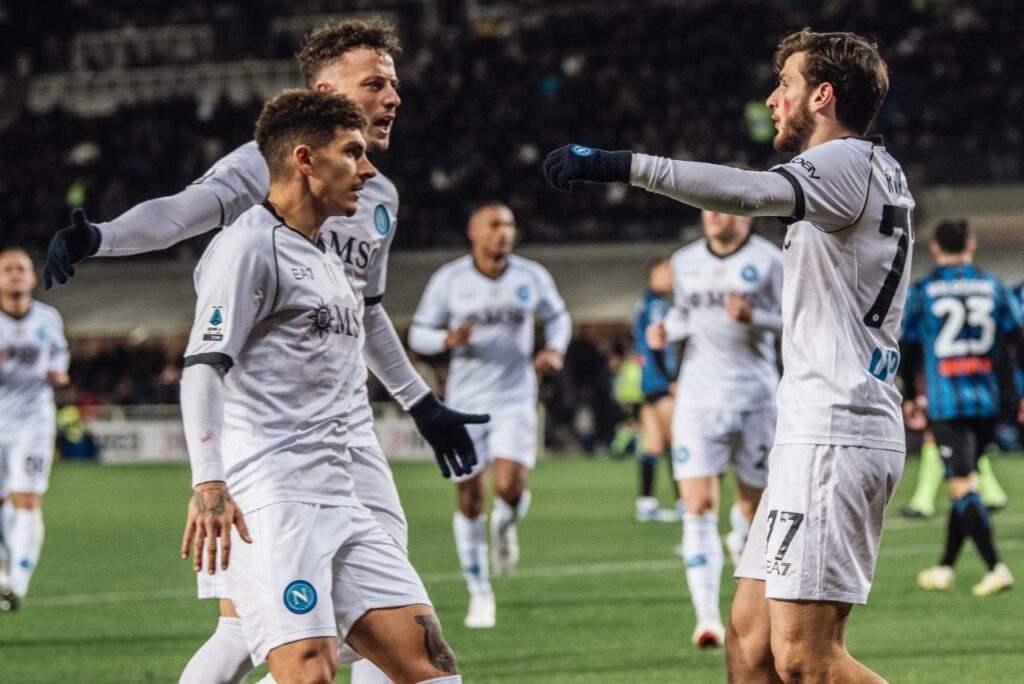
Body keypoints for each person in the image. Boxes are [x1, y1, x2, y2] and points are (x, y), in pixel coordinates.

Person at [44, 19, 483, 684]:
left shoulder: (376, 200)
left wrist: (421, 403)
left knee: (365, 626)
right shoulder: (263, 179)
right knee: (283, 639)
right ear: (324, 93)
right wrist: (102, 238)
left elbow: (367, 313)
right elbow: (179, 215)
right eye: (375, 84)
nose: (393, 97)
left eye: (394, 84)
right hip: (271, 444)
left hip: (345, 431)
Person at [544, 27, 912, 683]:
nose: (772, 100)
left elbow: (746, 193)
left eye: (785, 85)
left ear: (822, 95)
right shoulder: (871, 168)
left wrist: (618, 163)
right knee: (749, 643)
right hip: (815, 430)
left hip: (838, 429)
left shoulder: (845, 162)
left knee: (805, 659)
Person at [179, 89, 461, 684]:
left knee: (431, 666)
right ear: (305, 159)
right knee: (308, 670)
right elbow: (204, 365)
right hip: (277, 499)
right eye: (352, 152)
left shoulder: (327, 259)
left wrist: (420, 402)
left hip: (342, 495)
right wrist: (208, 482)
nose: (369, 169)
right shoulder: (248, 246)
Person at [408, 202, 571, 629]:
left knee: (510, 488)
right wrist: (446, 339)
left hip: (516, 398)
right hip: (465, 403)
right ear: (474, 232)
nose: (505, 232)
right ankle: (479, 592)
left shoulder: (531, 276)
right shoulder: (450, 280)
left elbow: (558, 317)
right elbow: (418, 333)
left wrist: (555, 349)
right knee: (469, 497)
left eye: (510, 224)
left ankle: (506, 524)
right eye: (495, 224)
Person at [646, 208, 782, 649]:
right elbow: (685, 316)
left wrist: (754, 317)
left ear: (745, 213)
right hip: (699, 399)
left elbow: (795, 318)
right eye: (706, 207)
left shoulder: (771, 259)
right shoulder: (684, 261)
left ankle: (742, 544)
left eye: (721, 206)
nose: (712, 215)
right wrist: (665, 330)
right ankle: (706, 617)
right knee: (698, 505)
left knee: (755, 510)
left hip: (756, 399)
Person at [899, 218, 1021, 596]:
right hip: (987, 400)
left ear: (935, 247)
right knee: (962, 481)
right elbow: (1018, 338)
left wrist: (909, 394)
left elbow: (908, 345)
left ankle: (996, 567)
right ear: (972, 245)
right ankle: (945, 567)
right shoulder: (993, 286)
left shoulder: (924, 290)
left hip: (946, 402)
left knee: (963, 484)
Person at [0, 248, 69, 611]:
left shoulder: (48, 318)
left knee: (26, 498)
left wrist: (59, 373)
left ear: (31, 277)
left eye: (21, 268)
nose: (15, 274)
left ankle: (18, 582)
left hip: (33, 420)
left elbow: (59, 357)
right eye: (7, 269)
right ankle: (3, 571)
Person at [631, 256, 680, 522]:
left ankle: (646, 503)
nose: (670, 277)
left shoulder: (644, 302)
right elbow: (656, 342)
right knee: (677, 441)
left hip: (648, 382)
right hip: (661, 382)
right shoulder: (657, 305)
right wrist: (671, 378)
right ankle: (685, 502)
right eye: (666, 272)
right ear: (652, 275)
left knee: (652, 444)